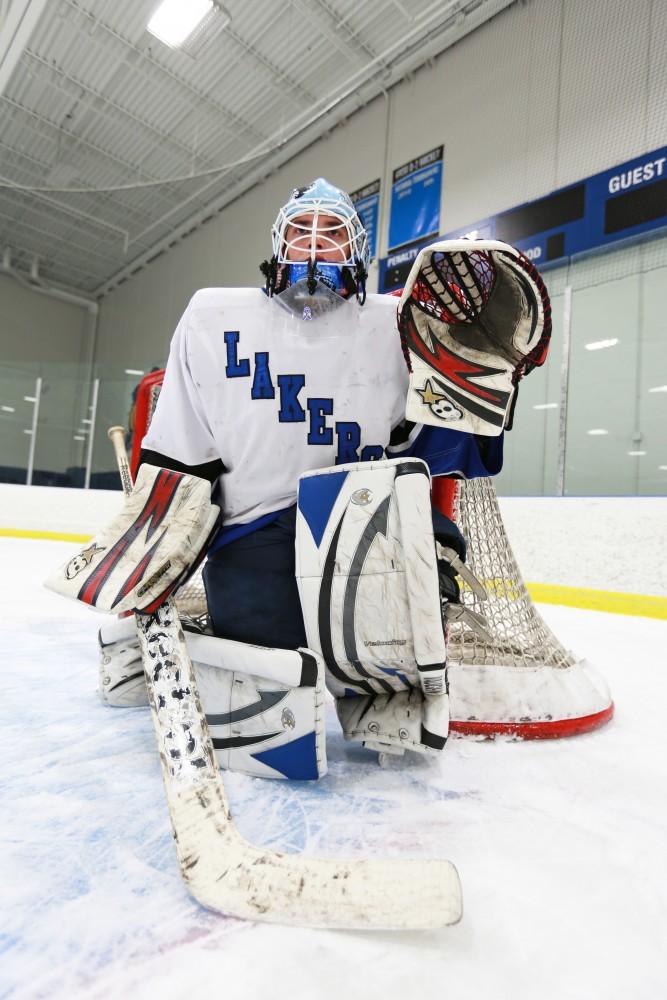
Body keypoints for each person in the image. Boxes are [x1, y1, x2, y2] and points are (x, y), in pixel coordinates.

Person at [48, 178, 550, 779]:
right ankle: (176, 650)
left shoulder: (397, 324)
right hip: (252, 528)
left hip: (365, 522)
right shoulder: (212, 316)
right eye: (301, 230)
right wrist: (161, 552)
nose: (316, 245)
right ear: (277, 243)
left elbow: (436, 446)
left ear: (357, 248)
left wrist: (487, 375)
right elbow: (185, 448)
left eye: (334, 232)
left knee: (408, 611)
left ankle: (382, 687)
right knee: (268, 667)